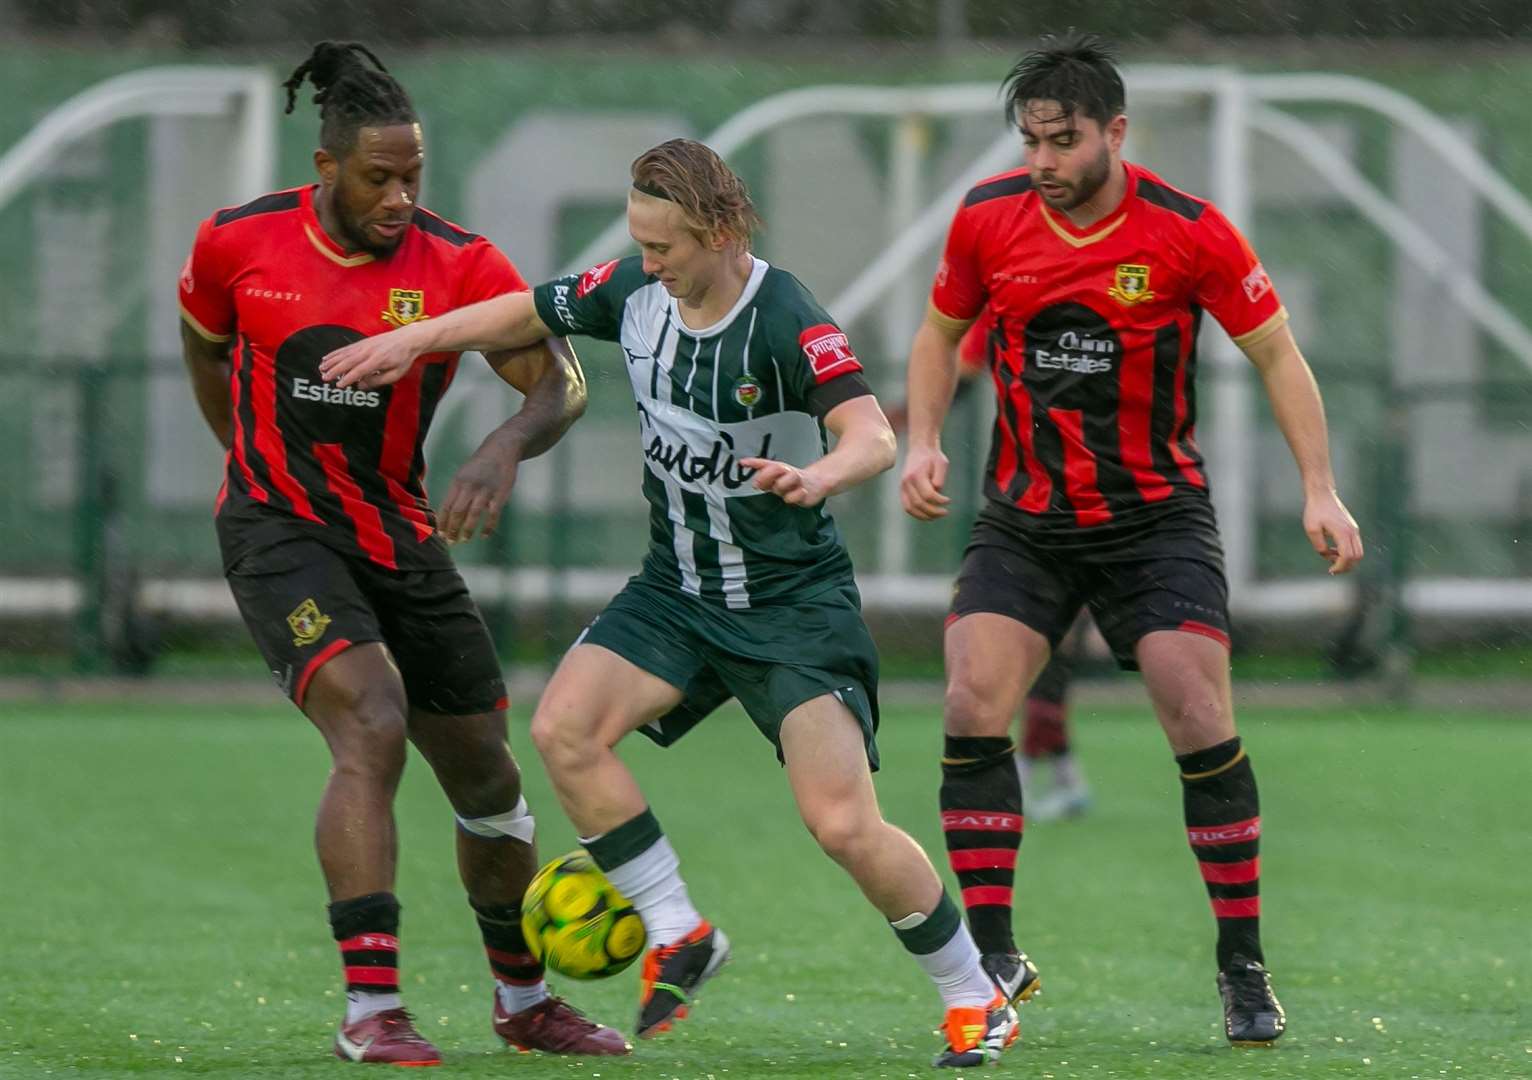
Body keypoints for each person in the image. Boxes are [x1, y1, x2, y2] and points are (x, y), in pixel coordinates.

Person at [320, 137, 1020, 1069]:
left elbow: (872, 434)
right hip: (677, 592)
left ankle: (976, 994)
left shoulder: (785, 316)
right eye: (640, 246)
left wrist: (819, 475)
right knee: (565, 729)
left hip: (790, 606)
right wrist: (411, 339)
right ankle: (679, 930)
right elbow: (520, 310)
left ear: (722, 230)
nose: (646, 265)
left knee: (843, 824)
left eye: (665, 248)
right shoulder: (635, 295)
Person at [900, 34, 1364, 1047]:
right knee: (970, 700)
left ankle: (1239, 964)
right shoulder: (986, 219)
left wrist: (1318, 490)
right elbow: (937, 334)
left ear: (1115, 132)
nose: (1042, 162)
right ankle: (992, 956)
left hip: (1154, 522)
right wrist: (923, 441)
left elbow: (1277, 355)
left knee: (1196, 716)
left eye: (1061, 142)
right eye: (1029, 141)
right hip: (1022, 520)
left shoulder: (1189, 234)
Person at [177, 41, 627, 1065]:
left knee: (486, 780)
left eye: (413, 174)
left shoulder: (457, 264)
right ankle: (370, 1009)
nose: (399, 196)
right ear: (326, 167)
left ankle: (522, 1003)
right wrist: (247, 467)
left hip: (400, 536)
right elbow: (203, 347)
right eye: (379, 177)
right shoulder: (235, 244)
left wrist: (504, 445)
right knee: (371, 725)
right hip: (277, 532)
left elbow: (559, 381)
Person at [888, 311, 1093, 823]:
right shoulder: (1003, 294)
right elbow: (958, 370)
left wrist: (909, 420)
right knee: (1033, 641)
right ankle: (1053, 771)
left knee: (1051, 638)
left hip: (1102, 498)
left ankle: (1027, 770)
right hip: (1035, 499)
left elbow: (960, 374)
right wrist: (914, 425)